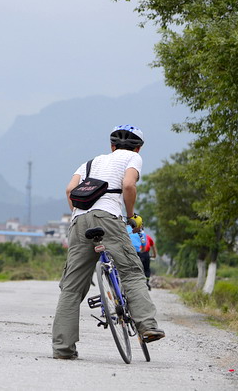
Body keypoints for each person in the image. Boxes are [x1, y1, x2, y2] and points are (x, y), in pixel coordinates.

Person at [52, 124, 165, 360]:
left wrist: (78, 215)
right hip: (109, 218)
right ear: (139, 148)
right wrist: (131, 215)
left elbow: (69, 190)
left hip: (79, 221)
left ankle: (63, 349)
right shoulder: (132, 158)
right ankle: (147, 326)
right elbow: (128, 185)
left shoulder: (90, 163)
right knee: (132, 272)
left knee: (71, 287)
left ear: (111, 146)